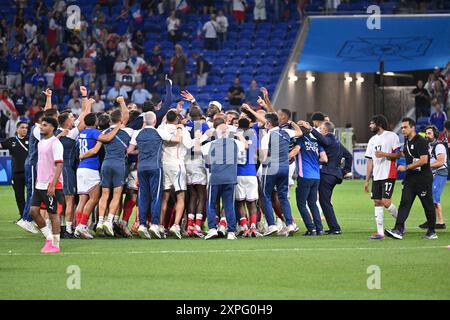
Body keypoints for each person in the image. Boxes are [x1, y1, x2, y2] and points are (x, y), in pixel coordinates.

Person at [127, 111, 183, 239]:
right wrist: (179, 128)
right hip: (155, 167)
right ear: (155, 121)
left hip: (141, 168)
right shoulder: (159, 132)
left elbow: (130, 151)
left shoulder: (137, 133)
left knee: (143, 196)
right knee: (156, 197)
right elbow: (177, 140)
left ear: (144, 121)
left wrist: (141, 150)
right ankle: (154, 224)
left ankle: (142, 224)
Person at [385, 117, 437, 240]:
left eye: (405, 127)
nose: (402, 129)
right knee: (404, 203)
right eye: (402, 127)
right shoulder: (407, 141)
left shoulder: (420, 141)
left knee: (427, 205)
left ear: (412, 127)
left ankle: (431, 231)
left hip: (423, 178)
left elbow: (424, 160)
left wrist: (406, 167)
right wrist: (387, 155)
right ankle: (398, 229)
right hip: (411, 178)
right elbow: (403, 153)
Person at [73, 113, 123, 239]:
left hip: (81, 169)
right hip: (90, 168)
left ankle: (78, 226)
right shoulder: (94, 132)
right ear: (95, 122)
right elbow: (104, 141)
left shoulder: (81, 133)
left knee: (82, 200)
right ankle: (82, 226)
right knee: (94, 198)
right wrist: (117, 127)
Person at [196, 123, 246, 240]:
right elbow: (245, 145)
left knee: (211, 204)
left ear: (217, 133)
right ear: (228, 132)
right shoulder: (235, 143)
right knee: (229, 205)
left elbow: (197, 149)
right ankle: (231, 232)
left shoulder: (212, 144)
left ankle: (212, 228)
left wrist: (200, 137)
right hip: (230, 178)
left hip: (216, 178)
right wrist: (239, 135)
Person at [303, 120, 353, 235]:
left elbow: (323, 140)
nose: (319, 131)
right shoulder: (337, 142)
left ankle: (335, 228)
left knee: (324, 201)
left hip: (327, 174)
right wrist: (345, 171)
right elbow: (349, 156)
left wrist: (310, 129)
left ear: (325, 130)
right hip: (334, 175)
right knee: (325, 201)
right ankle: (333, 227)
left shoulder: (329, 138)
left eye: (320, 129)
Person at [260, 113, 302, 236]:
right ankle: (289, 224)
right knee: (283, 196)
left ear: (268, 123)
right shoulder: (287, 132)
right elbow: (299, 132)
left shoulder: (267, 137)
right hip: (285, 167)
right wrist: (292, 123)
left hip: (271, 167)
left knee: (265, 195)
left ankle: (272, 225)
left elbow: (263, 157)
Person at [96, 97, 131, 237]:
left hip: (106, 163)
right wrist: (122, 102)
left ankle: (99, 222)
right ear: (121, 119)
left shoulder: (103, 133)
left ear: (110, 120)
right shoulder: (127, 131)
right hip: (119, 164)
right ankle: (109, 221)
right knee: (116, 195)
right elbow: (127, 116)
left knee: (104, 194)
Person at [29, 117, 64, 253]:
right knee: (33, 211)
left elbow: (59, 165)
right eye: (41, 125)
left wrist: (53, 185)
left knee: (53, 214)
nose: (41, 127)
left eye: (45, 125)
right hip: (40, 184)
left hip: (51, 185)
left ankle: (55, 244)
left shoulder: (56, 143)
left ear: (52, 128)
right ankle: (48, 237)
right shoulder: (41, 142)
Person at [364, 115, 402, 240]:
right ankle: (380, 233)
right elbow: (370, 161)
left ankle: (401, 224)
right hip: (377, 175)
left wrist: (384, 154)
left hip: (388, 173)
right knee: (377, 202)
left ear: (378, 124)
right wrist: (366, 180)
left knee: (386, 202)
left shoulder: (392, 136)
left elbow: (398, 154)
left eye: (371, 123)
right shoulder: (372, 140)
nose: (370, 126)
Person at [159, 110, 193, 239]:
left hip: (164, 164)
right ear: (178, 119)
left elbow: (163, 121)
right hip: (177, 164)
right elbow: (189, 145)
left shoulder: (161, 128)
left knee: (165, 197)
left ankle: (161, 226)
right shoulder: (182, 130)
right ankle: (175, 225)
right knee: (180, 196)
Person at [291, 125, 328, 236]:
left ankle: (311, 229)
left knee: (301, 203)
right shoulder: (316, 141)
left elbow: (295, 151)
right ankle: (319, 229)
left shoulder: (300, 140)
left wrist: (284, 157)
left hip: (304, 175)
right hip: (316, 176)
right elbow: (324, 159)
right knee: (313, 203)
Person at [0, 121, 29, 221]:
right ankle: (23, 217)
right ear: (17, 129)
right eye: (22, 127)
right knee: (19, 196)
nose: (25, 129)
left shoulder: (31, 140)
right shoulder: (11, 140)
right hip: (16, 173)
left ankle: (31, 216)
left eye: (26, 128)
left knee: (31, 195)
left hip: (28, 173)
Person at [420, 125, 447, 230]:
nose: (427, 135)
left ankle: (436, 222)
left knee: (433, 197)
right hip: (433, 173)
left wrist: (425, 166)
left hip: (440, 172)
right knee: (431, 197)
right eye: (426, 133)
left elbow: (440, 162)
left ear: (435, 134)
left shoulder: (439, 146)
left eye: (429, 133)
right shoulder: (429, 146)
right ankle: (437, 221)